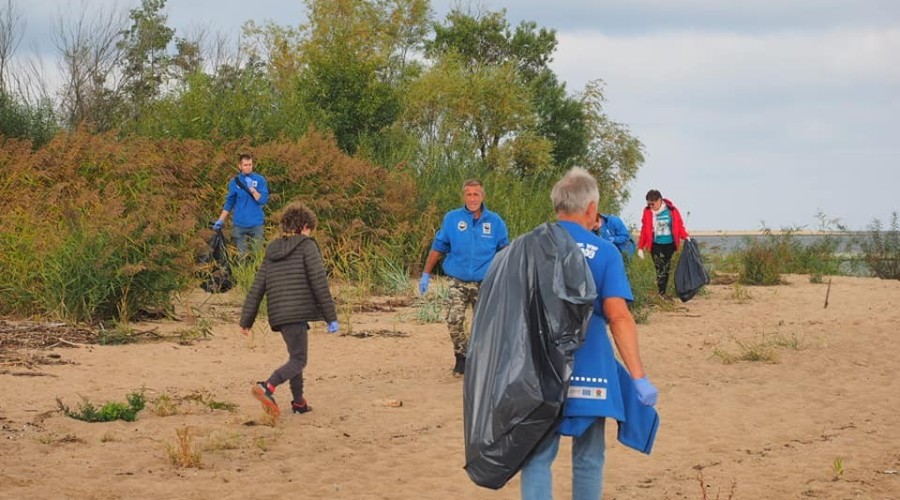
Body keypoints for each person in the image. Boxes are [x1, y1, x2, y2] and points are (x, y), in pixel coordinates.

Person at [518, 167, 658, 500]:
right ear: (591, 209)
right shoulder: (605, 252)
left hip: (539, 368)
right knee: (589, 457)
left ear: (557, 205)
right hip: (591, 369)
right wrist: (638, 377)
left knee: (536, 457)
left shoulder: (526, 247)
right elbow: (619, 316)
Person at [239, 202, 339, 419]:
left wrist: (246, 320)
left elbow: (258, 285)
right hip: (297, 311)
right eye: (310, 229)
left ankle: (299, 402)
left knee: (295, 356)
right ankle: (268, 386)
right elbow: (319, 282)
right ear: (304, 226)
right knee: (299, 360)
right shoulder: (307, 246)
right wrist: (331, 317)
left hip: (280, 315)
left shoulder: (272, 250)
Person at [419, 179, 509, 377]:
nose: (472, 198)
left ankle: (483, 362)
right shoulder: (452, 218)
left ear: (482, 196)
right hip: (457, 280)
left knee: (485, 325)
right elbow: (438, 246)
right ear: (464, 196)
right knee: (454, 319)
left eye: (476, 194)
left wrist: (508, 277)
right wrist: (426, 273)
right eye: (469, 194)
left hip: (486, 281)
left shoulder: (495, 222)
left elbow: (505, 251)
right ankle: (462, 357)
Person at [213, 153, 269, 255]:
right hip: (239, 224)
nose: (248, 167)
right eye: (245, 165)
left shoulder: (260, 180)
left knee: (257, 254)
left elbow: (262, 200)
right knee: (241, 256)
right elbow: (229, 202)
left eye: (250, 164)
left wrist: (252, 189)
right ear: (240, 166)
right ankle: (242, 270)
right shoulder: (234, 182)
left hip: (256, 223)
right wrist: (220, 220)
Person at [637, 189, 689, 297]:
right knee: (659, 268)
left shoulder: (671, 210)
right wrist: (640, 247)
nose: (651, 206)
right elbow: (644, 229)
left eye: (652, 203)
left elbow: (679, 225)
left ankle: (671, 290)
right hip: (656, 244)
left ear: (659, 200)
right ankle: (662, 293)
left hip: (670, 244)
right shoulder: (647, 212)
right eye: (648, 204)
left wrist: (686, 236)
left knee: (667, 267)